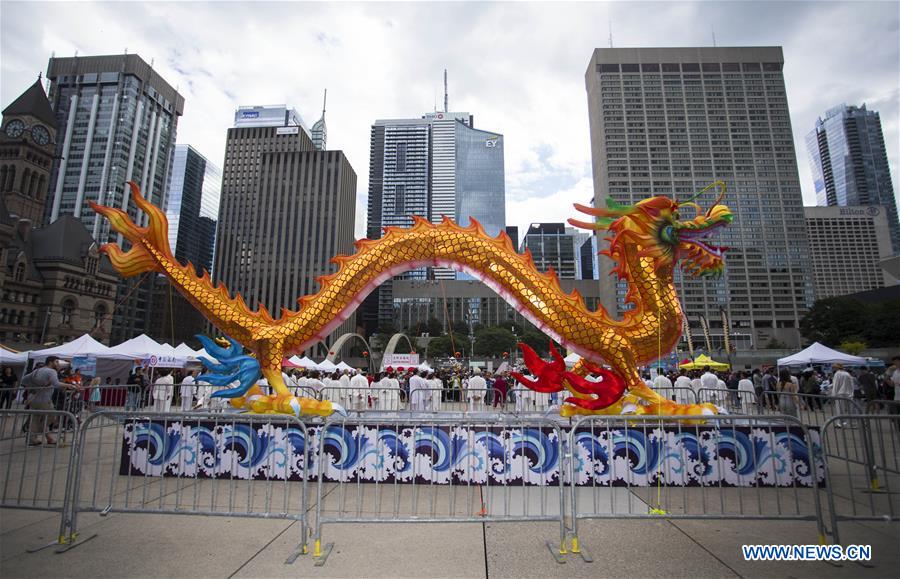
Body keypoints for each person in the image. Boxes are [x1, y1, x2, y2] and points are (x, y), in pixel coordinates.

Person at [22, 356, 64, 445]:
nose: (58, 364)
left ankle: (32, 439)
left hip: (34, 398)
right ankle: (41, 431)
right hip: (44, 399)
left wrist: (34, 387)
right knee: (52, 416)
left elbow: (24, 380)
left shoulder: (37, 370)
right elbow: (56, 383)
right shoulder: (51, 371)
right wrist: (70, 385)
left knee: (36, 418)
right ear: (50, 362)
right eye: (56, 362)